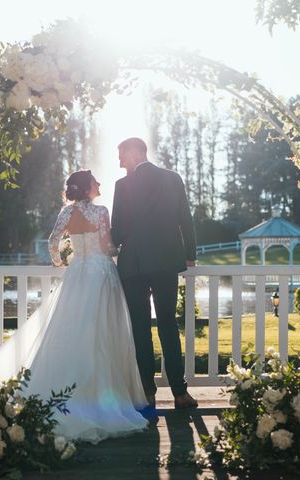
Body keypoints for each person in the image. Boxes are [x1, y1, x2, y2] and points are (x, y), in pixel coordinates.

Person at [0, 169, 148, 443]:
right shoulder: (100, 212)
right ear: (88, 187)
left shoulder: (66, 212)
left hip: (77, 273)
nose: (99, 183)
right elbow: (107, 246)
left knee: (70, 329)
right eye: (95, 181)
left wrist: (61, 262)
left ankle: (65, 391)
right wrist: (120, 249)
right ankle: (100, 396)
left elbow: (53, 242)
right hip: (101, 273)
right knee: (102, 333)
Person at [111, 137, 198, 410]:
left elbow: (118, 230)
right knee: (168, 326)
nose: (120, 162)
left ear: (135, 153)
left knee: (140, 328)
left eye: (122, 155)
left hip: (133, 264)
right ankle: (180, 393)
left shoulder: (122, 185)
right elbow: (185, 217)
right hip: (165, 261)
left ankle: (148, 393)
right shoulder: (172, 178)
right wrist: (190, 253)